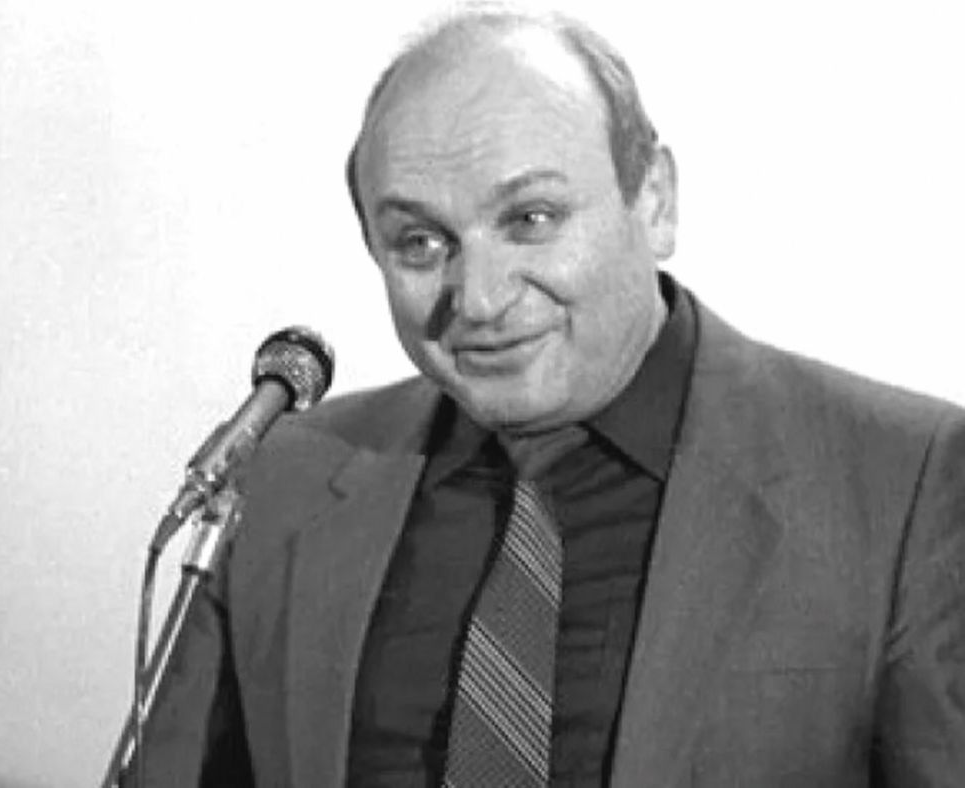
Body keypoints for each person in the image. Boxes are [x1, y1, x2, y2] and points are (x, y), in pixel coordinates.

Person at [126, 5, 965, 786]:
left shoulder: (904, 483)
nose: (480, 298)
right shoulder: (284, 481)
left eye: (530, 219)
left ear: (655, 200)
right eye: (420, 243)